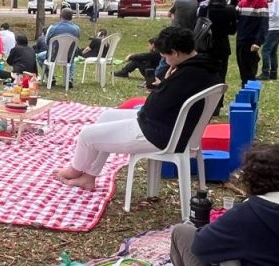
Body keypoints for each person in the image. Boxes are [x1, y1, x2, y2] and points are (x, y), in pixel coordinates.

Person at [52, 26, 222, 190]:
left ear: (175, 53)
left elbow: (152, 107)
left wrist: (165, 83)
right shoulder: (205, 67)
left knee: (87, 135)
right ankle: (89, 177)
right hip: (174, 127)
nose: (165, 61)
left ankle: (75, 171)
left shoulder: (185, 75)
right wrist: (166, 84)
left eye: (165, 56)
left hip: (160, 134)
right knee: (106, 117)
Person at [197, 0, 238, 114]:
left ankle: (203, 103)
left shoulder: (205, 9)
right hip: (222, 46)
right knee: (220, 76)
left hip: (205, 46)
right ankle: (217, 105)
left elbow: (198, 26)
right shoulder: (230, 10)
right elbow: (232, 30)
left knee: (204, 76)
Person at [234, 0, 267, 85]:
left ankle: (249, 92)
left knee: (250, 72)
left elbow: (264, 23)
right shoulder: (242, 2)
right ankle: (244, 90)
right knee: (242, 71)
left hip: (251, 42)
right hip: (240, 40)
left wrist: (258, 42)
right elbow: (233, 16)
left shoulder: (261, 1)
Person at [258, 0, 279, 80]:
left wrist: (265, 16)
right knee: (273, 52)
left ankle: (265, 73)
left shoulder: (277, 1)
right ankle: (273, 73)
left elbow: (276, 14)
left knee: (265, 50)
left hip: (273, 28)